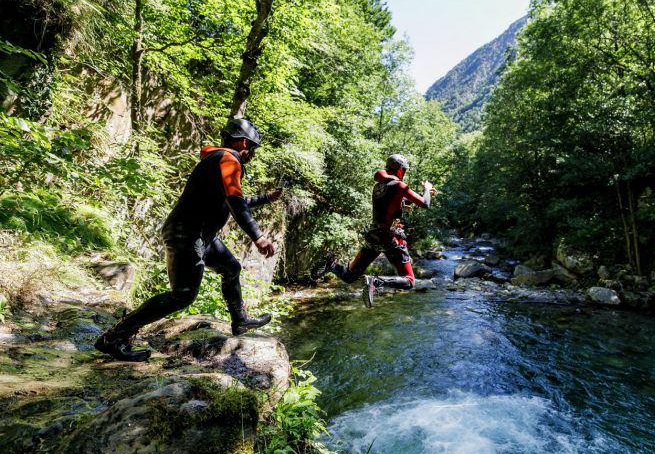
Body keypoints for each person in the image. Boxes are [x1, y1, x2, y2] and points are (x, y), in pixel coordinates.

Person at [95, 118, 281, 361]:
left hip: (198, 235)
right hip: (189, 234)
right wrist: (259, 236)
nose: (252, 155)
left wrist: (267, 198)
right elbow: (235, 202)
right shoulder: (229, 160)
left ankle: (240, 320)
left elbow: (234, 199)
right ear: (245, 143)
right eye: (253, 149)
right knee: (182, 295)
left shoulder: (218, 161)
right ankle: (115, 337)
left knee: (231, 266)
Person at [312, 154, 436, 307]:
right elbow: (424, 203)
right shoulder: (399, 185)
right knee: (409, 281)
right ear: (399, 169)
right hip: (391, 239)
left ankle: (330, 265)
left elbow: (390, 203)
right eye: (403, 170)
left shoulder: (379, 186)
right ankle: (375, 282)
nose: (404, 173)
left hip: (373, 236)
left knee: (350, 276)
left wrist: (403, 204)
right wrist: (427, 189)